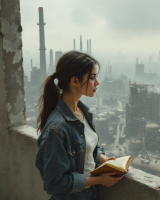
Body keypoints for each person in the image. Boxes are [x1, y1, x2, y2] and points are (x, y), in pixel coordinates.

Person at [35, 51, 125, 200]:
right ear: (74, 81)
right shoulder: (56, 129)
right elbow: (54, 183)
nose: (97, 82)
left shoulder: (83, 112)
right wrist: (99, 180)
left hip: (91, 194)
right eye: (92, 77)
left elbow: (85, 149)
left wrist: (102, 158)